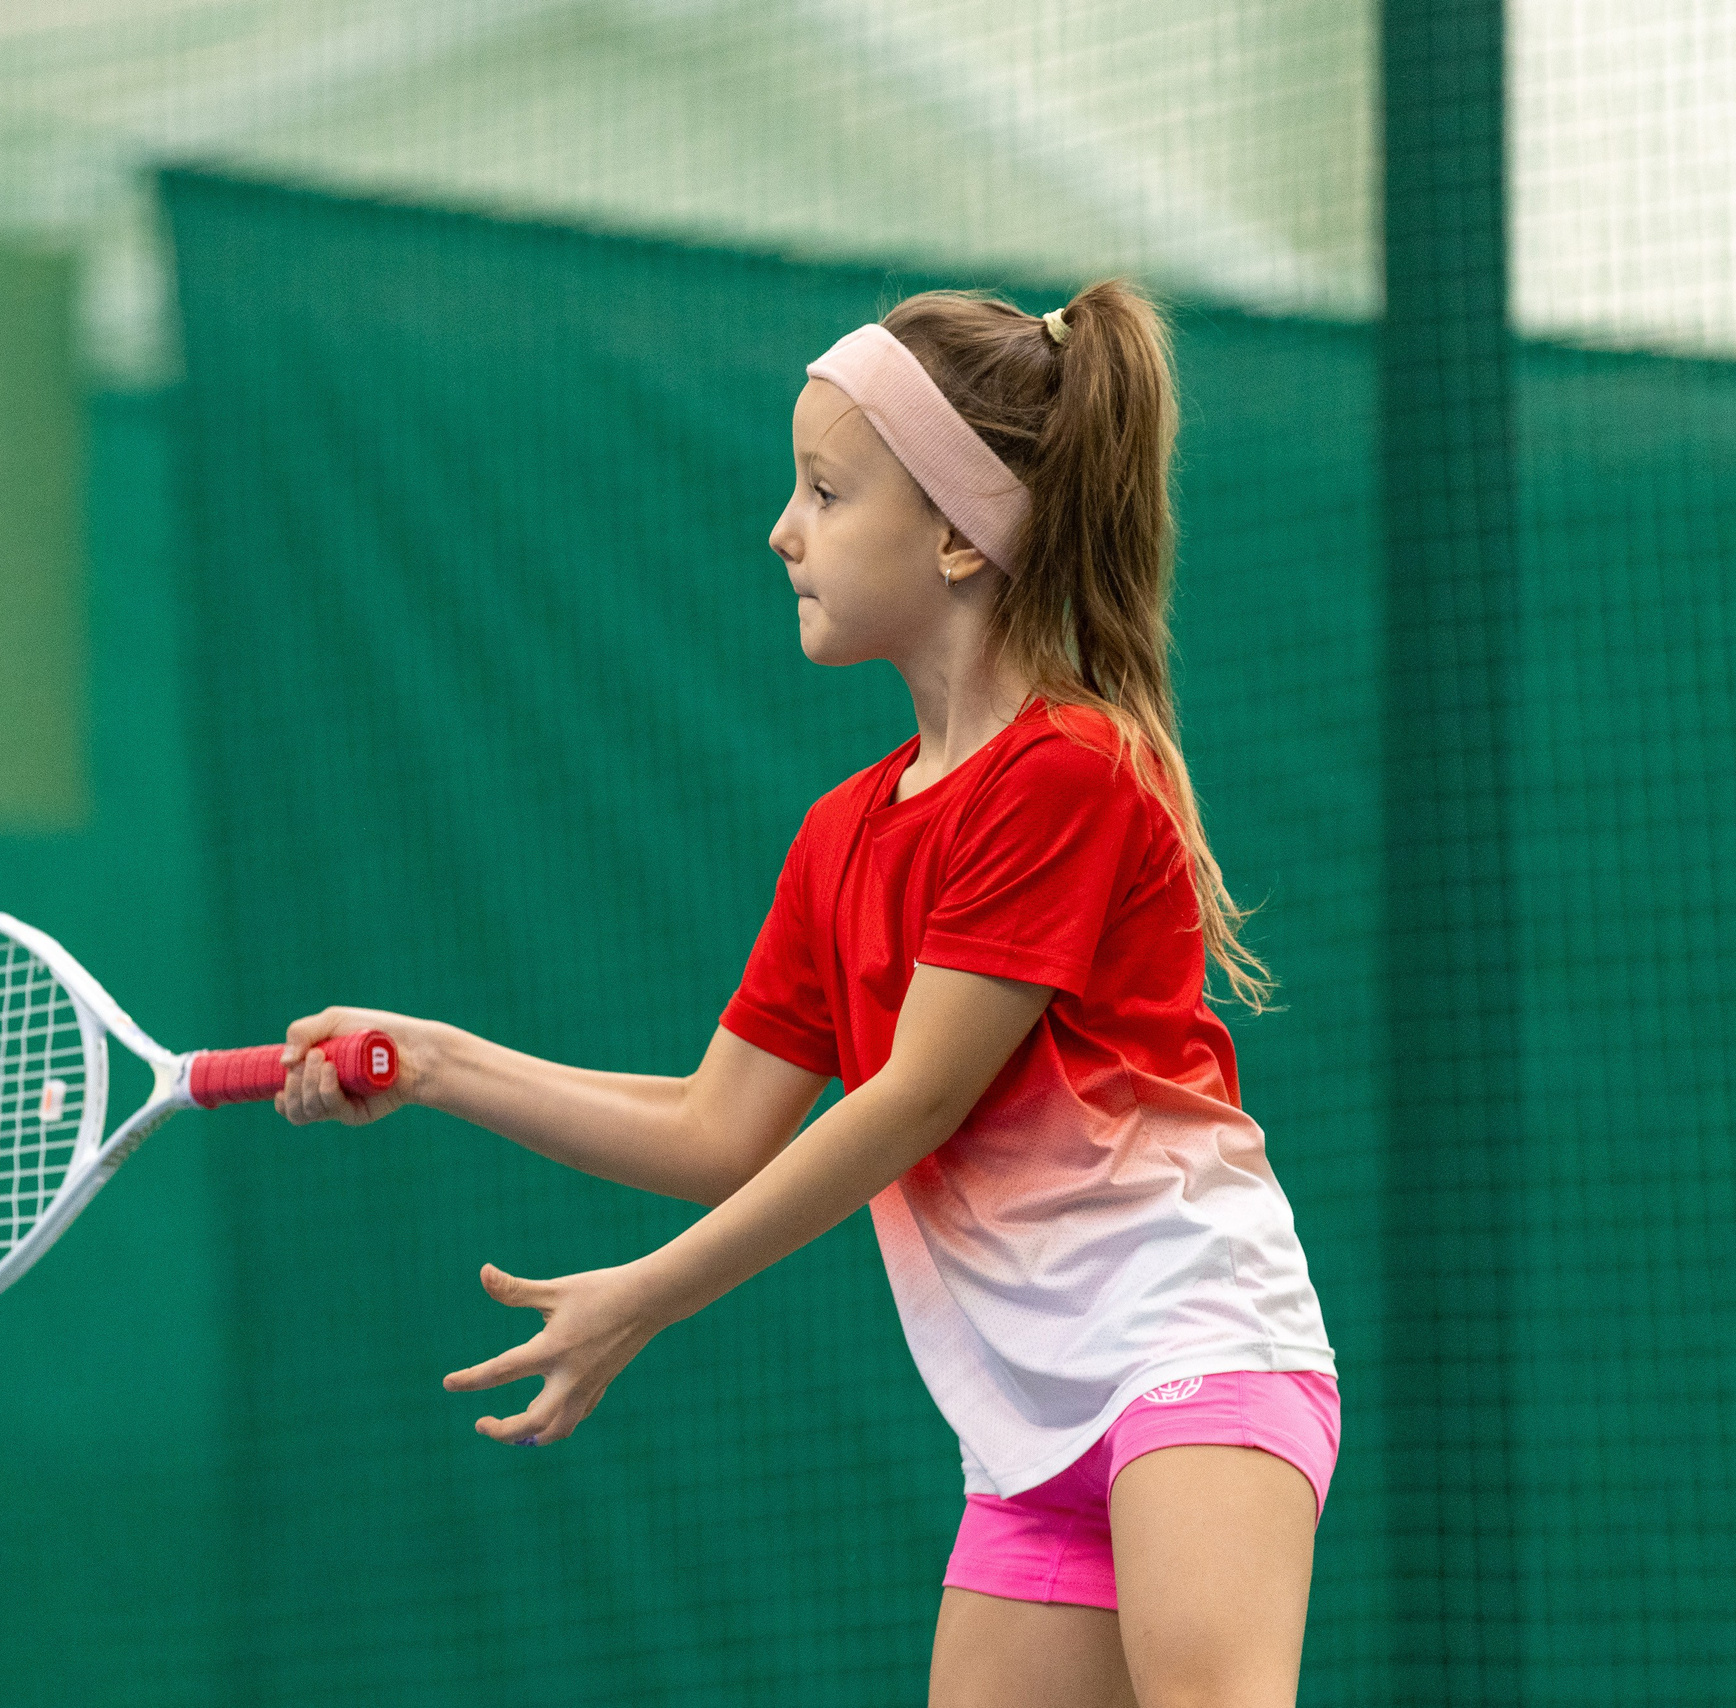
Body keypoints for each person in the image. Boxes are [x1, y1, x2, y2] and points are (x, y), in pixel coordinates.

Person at [274, 281, 1338, 1708]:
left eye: (827, 492)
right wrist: (437, 1062)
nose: (783, 527)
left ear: (962, 532)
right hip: (1023, 1432)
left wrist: (646, 1297)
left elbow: (914, 1099)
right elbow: (720, 1126)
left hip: (1193, 1358)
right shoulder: (842, 837)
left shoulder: (1065, 778)